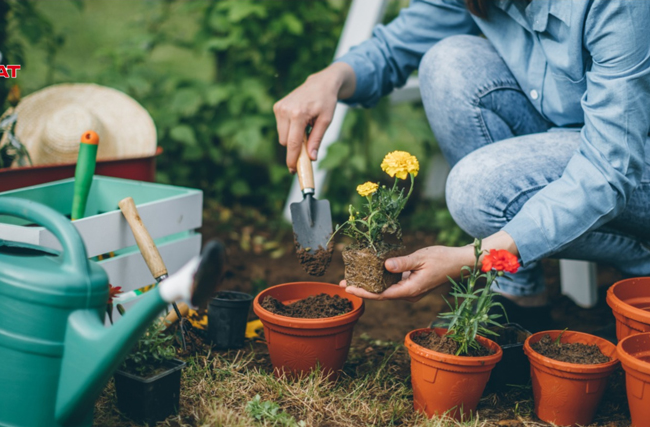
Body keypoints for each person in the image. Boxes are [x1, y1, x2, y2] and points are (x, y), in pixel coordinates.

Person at [273, 0, 650, 329]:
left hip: (631, 165)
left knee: (477, 189)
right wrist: (329, 79)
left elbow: (609, 168)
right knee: (448, 61)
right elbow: (400, 45)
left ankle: (641, 253)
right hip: (570, 138)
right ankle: (517, 296)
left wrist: (473, 258)